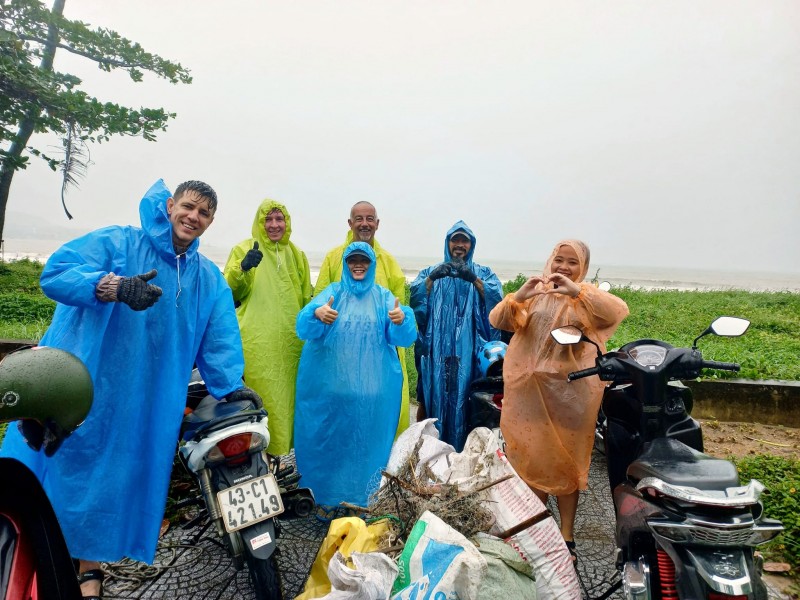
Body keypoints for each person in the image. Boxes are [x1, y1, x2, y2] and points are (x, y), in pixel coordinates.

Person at [0, 179, 257, 599]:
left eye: (205, 213)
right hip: (80, 381)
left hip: (143, 396)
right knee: (62, 463)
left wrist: (229, 387)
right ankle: (29, 552)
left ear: (211, 222)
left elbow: (220, 336)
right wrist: (112, 287)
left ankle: (88, 565)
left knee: (108, 476)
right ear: (170, 205)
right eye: (189, 207)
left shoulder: (207, 278)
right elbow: (57, 273)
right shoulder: (118, 242)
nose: (194, 217)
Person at [488, 239, 629, 561]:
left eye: (572, 263)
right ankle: (537, 529)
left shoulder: (586, 300)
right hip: (529, 398)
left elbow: (616, 310)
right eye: (558, 260)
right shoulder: (534, 298)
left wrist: (576, 291)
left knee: (566, 464)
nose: (563, 267)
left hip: (572, 397)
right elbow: (498, 320)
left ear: (583, 269)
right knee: (531, 461)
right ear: (549, 261)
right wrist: (519, 296)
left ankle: (566, 535)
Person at [294, 242, 416, 508]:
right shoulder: (333, 293)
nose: (358, 265)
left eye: (363, 260)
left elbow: (404, 337)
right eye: (352, 260)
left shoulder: (383, 297)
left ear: (371, 264)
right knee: (333, 447)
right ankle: (326, 499)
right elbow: (303, 327)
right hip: (333, 395)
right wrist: (316, 313)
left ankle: (364, 500)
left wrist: (401, 319)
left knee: (365, 449)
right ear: (346, 264)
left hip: (371, 397)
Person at [315, 201, 411, 438]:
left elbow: (401, 312)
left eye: (370, 219)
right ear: (350, 223)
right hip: (341, 358)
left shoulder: (388, 263)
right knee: (342, 418)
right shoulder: (334, 258)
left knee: (378, 419)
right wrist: (317, 312)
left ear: (377, 224)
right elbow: (317, 302)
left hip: (378, 360)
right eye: (359, 219)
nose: (364, 224)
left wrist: (401, 319)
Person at [223, 199, 312, 456]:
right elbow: (230, 292)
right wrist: (243, 268)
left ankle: (285, 462)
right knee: (261, 402)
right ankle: (257, 459)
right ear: (259, 223)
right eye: (268, 220)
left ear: (287, 223)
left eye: (279, 219)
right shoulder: (244, 249)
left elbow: (306, 299)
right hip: (258, 345)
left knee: (290, 406)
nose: (274, 225)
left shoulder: (297, 255)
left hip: (292, 347)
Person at [410, 221, 503, 451]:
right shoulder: (430, 273)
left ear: (471, 244)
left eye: (465, 241)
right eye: (455, 240)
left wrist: (473, 279)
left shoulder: (483, 273)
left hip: (468, 354)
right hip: (437, 355)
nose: (459, 245)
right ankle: (431, 453)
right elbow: (417, 303)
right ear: (447, 243)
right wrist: (432, 278)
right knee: (432, 401)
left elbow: (497, 306)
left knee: (466, 403)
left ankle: (465, 455)